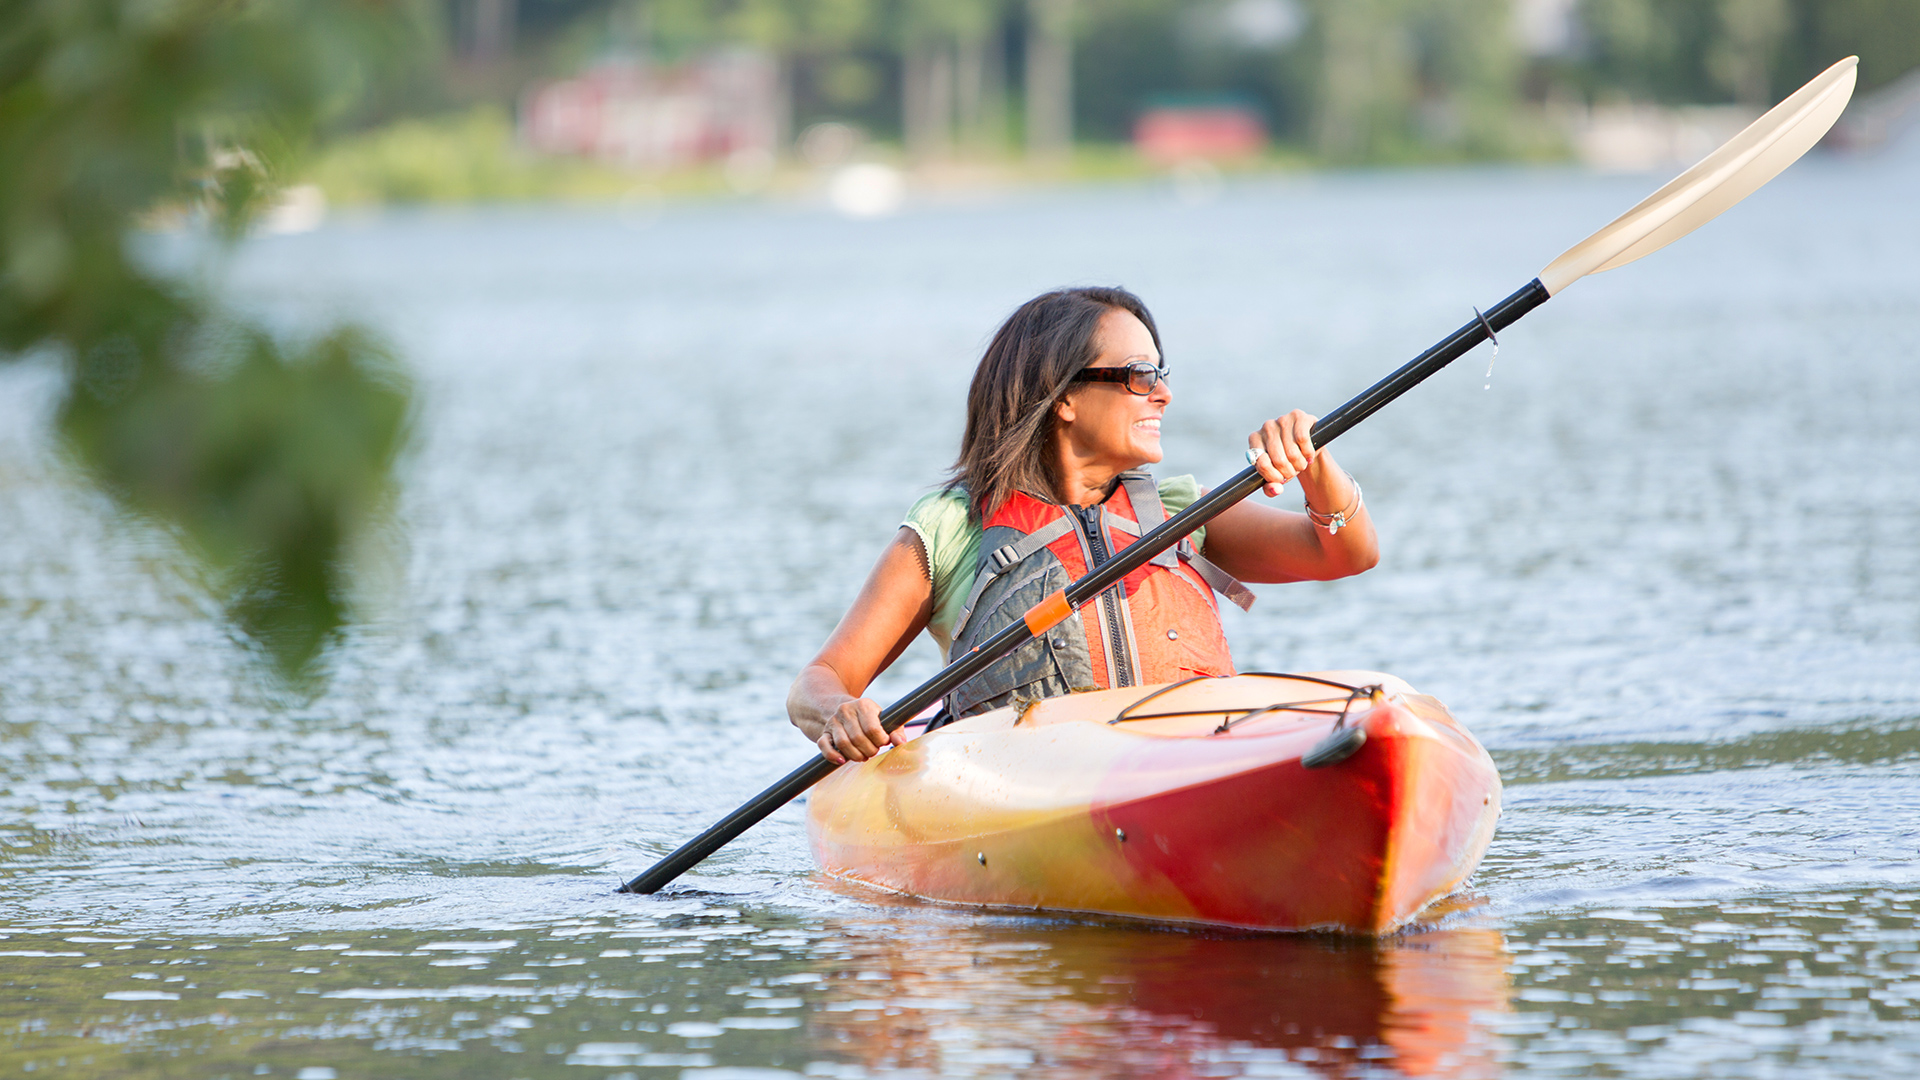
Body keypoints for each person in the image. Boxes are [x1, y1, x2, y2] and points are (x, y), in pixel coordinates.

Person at [788, 287, 1378, 764]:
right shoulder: (952, 526)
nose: (1165, 395)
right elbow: (818, 681)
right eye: (1142, 375)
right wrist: (840, 711)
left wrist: (1316, 463)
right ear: (1064, 396)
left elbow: (1345, 554)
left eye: (1162, 374)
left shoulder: (1182, 511)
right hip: (1037, 792)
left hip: (1193, 759)